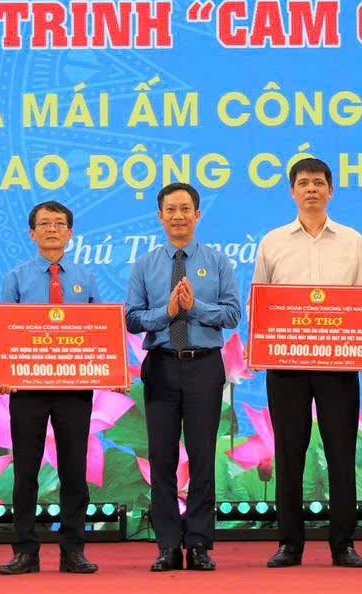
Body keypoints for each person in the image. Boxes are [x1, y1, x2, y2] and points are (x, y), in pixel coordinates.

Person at [253, 157, 362, 569]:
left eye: (319, 183)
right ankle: (290, 543)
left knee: (341, 452)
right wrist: (260, 346)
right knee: (289, 453)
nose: (311, 190)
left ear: (330, 191)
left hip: (339, 365)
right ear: (292, 192)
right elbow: (260, 301)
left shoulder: (352, 241)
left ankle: (343, 544)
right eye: (303, 183)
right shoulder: (273, 242)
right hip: (286, 365)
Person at [127, 183, 241, 572]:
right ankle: (167, 545)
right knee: (162, 458)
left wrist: (196, 307)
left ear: (198, 214)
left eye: (186, 209)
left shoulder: (218, 262)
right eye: (171, 209)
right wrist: (168, 312)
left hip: (204, 366)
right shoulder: (145, 265)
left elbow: (232, 314)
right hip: (161, 365)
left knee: (203, 456)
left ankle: (199, 543)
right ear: (160, 216)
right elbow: (132, 319)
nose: (179, 216)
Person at [0, 201, 100, 575]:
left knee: (74, 471)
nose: (52, 229)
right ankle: (25, 550)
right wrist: (4, 371)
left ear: (70, 233)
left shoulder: (85, 279)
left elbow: (98, 332)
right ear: (32, 234)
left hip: (74, 389)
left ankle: (73, 550)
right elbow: (5, 331)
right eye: (44, 224)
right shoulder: (17, 278)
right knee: (26, 472)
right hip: (27, 389)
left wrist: (110, 371)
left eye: (59, 224)